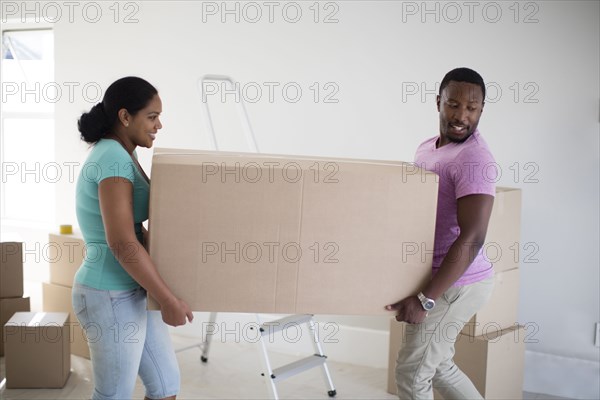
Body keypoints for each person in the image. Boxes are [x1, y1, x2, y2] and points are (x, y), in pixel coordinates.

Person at [72, 76, 194, 400]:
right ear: (125, 117)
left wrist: (177, 279)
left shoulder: (124, 152)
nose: (159, 125)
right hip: (108, 294)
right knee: (114, 395)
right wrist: (167, 299)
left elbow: (137, 232)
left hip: (131, 291)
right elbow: (123, 242)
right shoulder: (112, 158)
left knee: (166, 386)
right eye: (152, 117)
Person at [386, 67, 497, 399]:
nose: (461, 115)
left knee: (412, 372)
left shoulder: (474, 159)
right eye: (453, 104)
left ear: (481, 110)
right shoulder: (427, 148)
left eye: (472, 108)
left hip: (458, 283)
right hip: (438, 275)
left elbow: (473, 237)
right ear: (439, 103)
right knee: (438, 365)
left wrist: (427, 298)